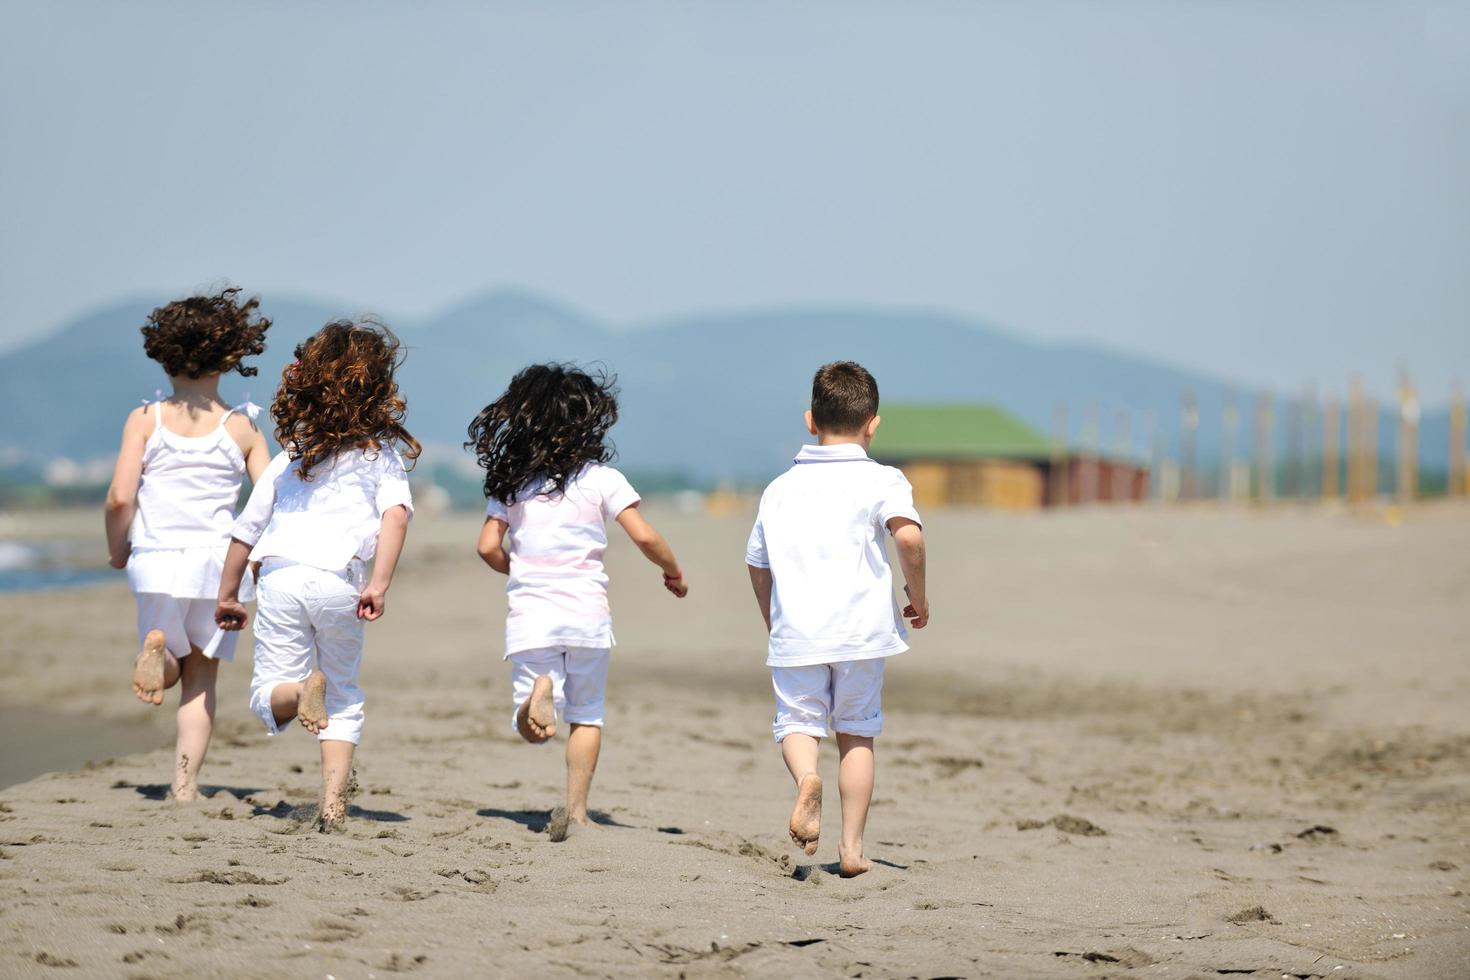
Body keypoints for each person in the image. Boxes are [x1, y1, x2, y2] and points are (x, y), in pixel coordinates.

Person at [468, 363, 688, 842]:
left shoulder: (511, 482)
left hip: (533, 615)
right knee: (587, 714)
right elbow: (645, 535)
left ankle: (535, 697)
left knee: (529, 725)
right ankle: (578, 811)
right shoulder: (602, 479)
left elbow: (487, 547)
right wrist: (671, 570)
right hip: (587, 615)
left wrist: (520, 569)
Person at [215, 320, 418, 831]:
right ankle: (331, 808)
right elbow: (395, 515)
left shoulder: (291, 459)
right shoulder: (381, 455)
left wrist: (228, 597)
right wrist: (379, 584)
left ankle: (300, 689)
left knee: (269, 696)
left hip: (280, 578)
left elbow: (245, 533)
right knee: (345, 695)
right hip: (339, 580)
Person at [745, 360, 929, 877]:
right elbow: (909, 537)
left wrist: (772, 621)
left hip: (797, 631)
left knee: (798, 723)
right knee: (856, 734)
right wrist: (919, 595)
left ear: (810, 420)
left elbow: (758, 563)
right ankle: (851, 850)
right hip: (863, 633)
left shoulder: (779, 489)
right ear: (873, 424)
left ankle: (807, 777)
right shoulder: (882, 479)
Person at [104, 288, 272, 801]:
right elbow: (267, 507)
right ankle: (184, 786)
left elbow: (118, 498)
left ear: (164, 353)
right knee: (201, 677)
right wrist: (262, 565)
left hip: (156, 561)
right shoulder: (241, 427)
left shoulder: (145, 420)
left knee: (170, 651)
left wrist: (117, 550)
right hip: (218, 568)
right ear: (230, 356)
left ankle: (157, 651)